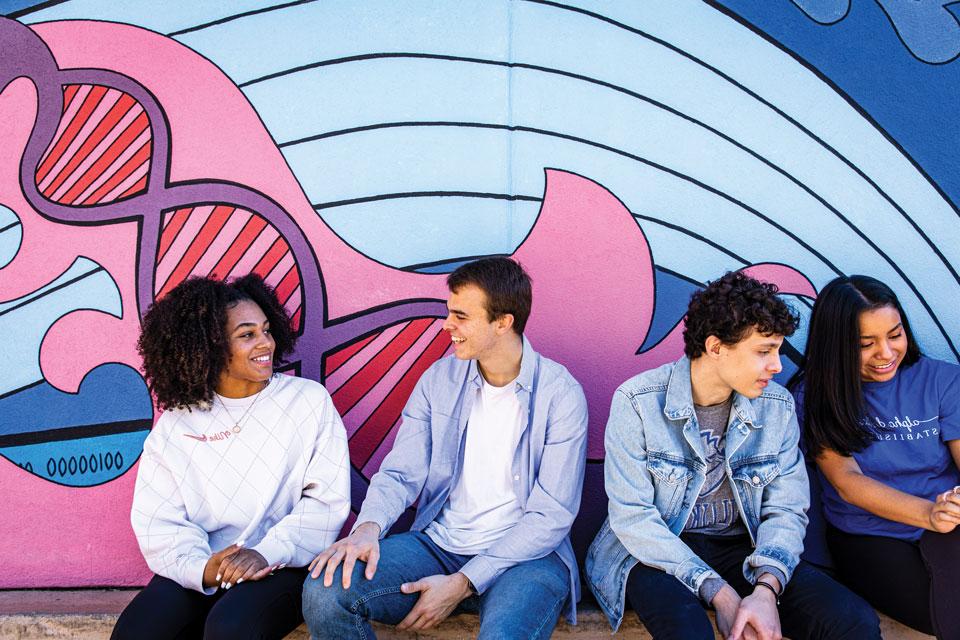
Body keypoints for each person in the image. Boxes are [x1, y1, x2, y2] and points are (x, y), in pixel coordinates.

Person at [301, 257, 588, 639]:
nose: (446, 325)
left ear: (503, 322)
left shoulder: (561, 395)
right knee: (326, 592)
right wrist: (368, 529)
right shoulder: (438, 380)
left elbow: (550, 516)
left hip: (526, 560)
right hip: (438, 545)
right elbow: (402, 473)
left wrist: (464, 582)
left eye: (461, 316)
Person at [586, 271, 880, 640]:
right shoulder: (638, 401)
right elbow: (633, 518)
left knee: (852, 620)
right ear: (715, 347)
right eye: (763, 351)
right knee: (687, 630)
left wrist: (766, 589)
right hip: (657, 551)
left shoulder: (777, 406)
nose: (777, 366)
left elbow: (786, 510)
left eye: (777, 350)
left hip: (744, 547)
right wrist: (721, 594)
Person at [111, 274, 350, 640]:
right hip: (206, 563)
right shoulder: (178, 423)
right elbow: (158, 519)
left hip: (283, 563)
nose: (265, 343)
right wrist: (205, 568)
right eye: (247, 335)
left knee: (231, 629)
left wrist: (265, 553)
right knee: (137, 631)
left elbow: (325, 502)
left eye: (266, 330)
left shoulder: (307, 402)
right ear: (210, 346)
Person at [789, 274, 960, 639]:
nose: (886, 353)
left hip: (950, 527)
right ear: (836, 345)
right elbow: (848, 483)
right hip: (869, 536)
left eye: (895, 335)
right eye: (866, 343)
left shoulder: (943, 381)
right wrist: (929, 513)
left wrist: (950, 509)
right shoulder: (816, 396)